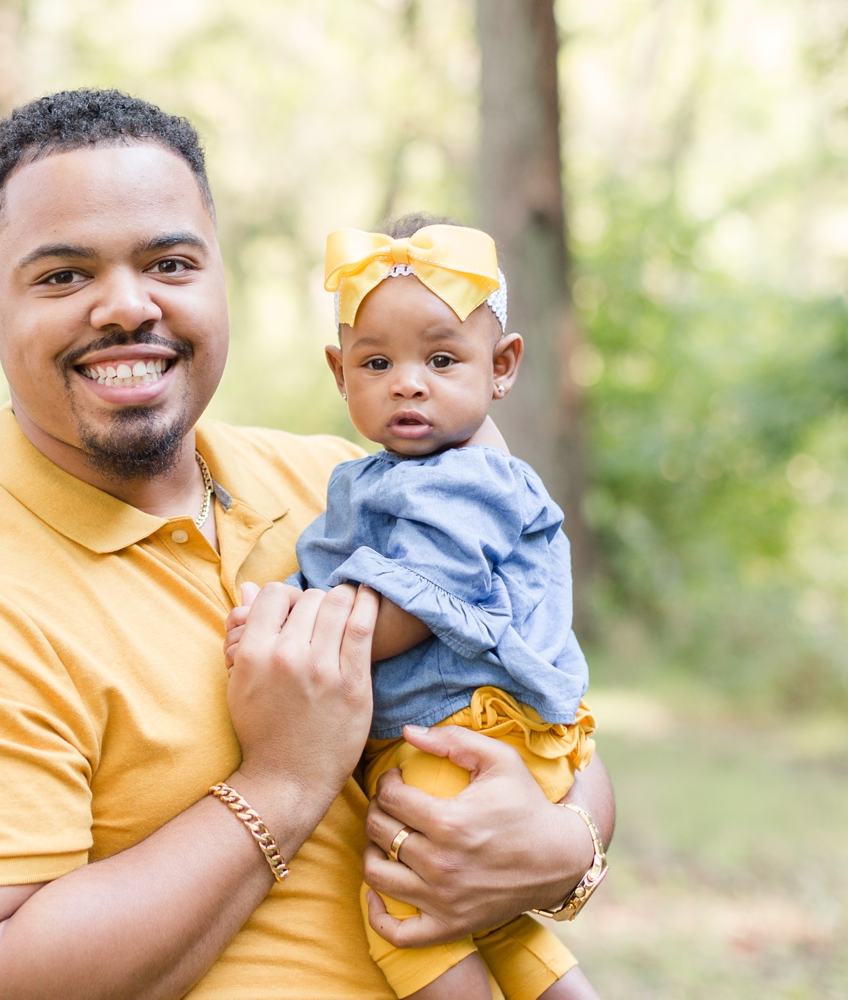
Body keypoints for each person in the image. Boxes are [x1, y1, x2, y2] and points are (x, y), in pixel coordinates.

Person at [0, 89, 614, 1000]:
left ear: (217, 276)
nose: (126, 307)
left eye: (168, 262)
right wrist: (282, 781)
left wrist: (562, 849)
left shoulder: (344, 485)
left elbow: (564, 733)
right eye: (63, 276)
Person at [227, 217, 600, 1000]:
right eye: (376, 361)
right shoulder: (373, 477)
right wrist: (286, 598)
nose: (408, 382)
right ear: (339, 372)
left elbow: (412, 604)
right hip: (448, 731)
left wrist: (292, 634)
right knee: (491, 919)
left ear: (501, 367)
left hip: (463, 732)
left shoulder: (471, 480)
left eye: (440, 359)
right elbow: (331, 569)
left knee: (404, 910)